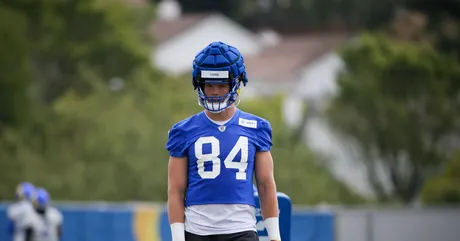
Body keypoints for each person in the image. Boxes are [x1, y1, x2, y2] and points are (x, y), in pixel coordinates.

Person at [166, 41, 281, 241]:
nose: (215, 91)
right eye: (209, 85)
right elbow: (176, 190)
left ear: (235, 84)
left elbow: (265, 184)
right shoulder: (183, 131)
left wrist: (274, 236)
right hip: (197, 230)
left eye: (221, 84)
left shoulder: (256, 127)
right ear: (199, 84)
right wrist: (177, 238)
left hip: (241, 229)